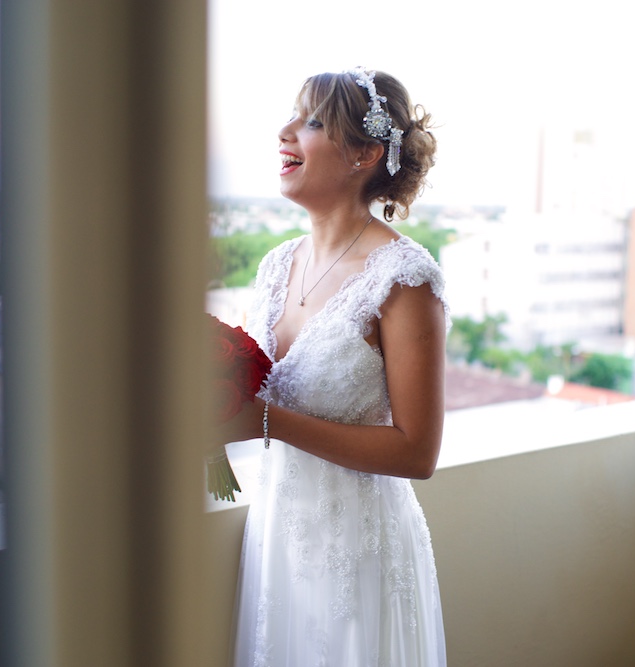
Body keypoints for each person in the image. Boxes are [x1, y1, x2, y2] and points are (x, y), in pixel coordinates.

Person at [224, 67, 448, 666]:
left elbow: (417, 453)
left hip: (360, 549)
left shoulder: (404, 277)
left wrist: (264, 422)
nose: (285, 132)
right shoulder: (276, 265)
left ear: (366, 153)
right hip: (277, 542)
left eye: (312, 121)